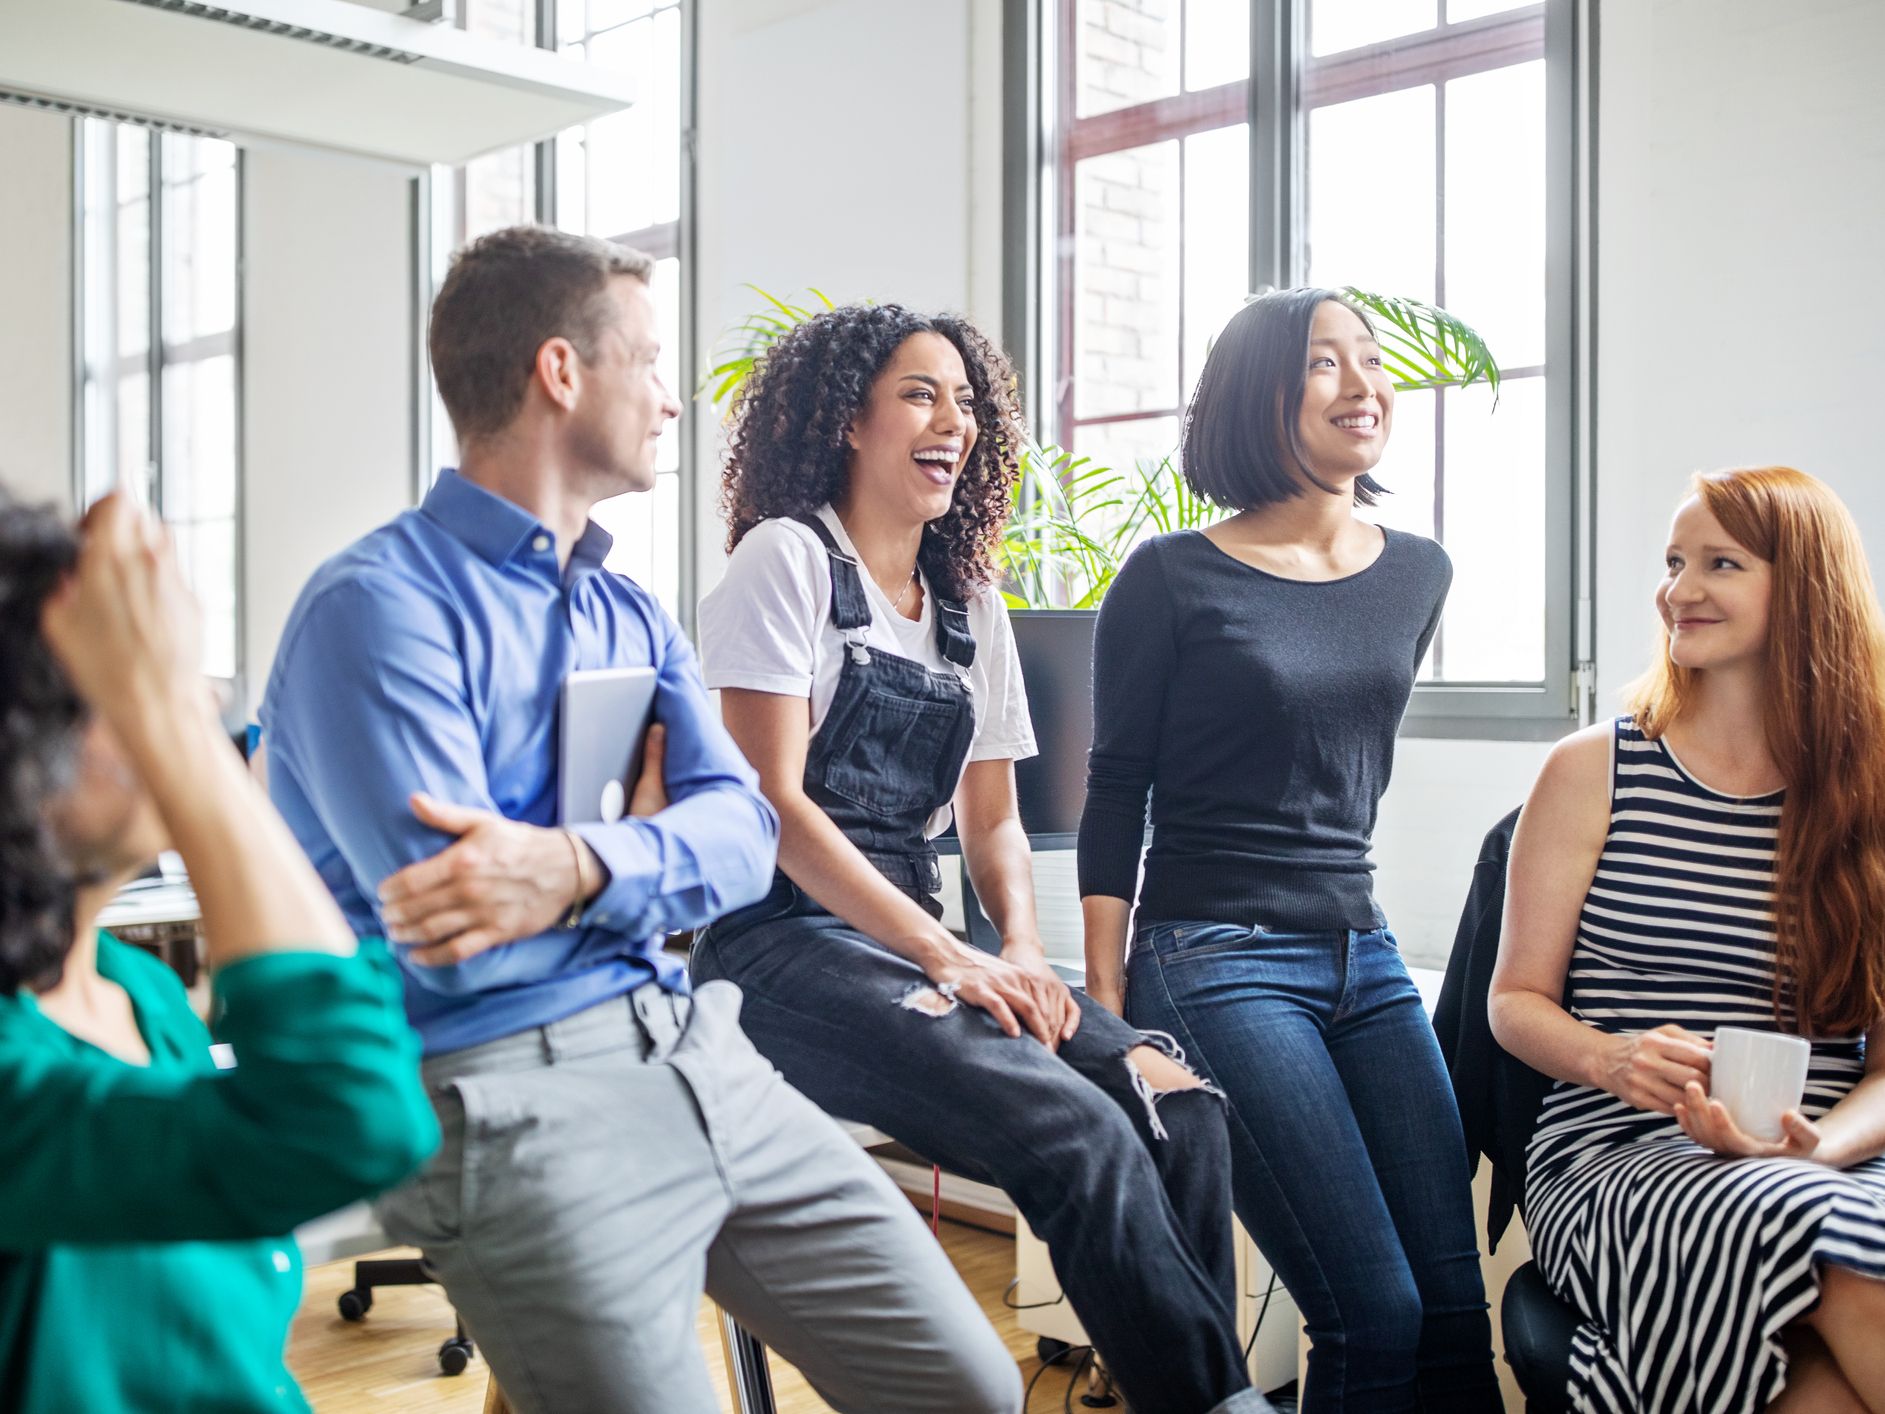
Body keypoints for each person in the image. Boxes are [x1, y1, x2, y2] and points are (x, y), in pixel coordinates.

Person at [260, 230, 1021, 1414]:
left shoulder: (626, 610)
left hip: (688, 1041)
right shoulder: (376, 610)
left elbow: (742, 838)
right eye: (650, 364)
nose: (673, 400)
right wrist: (651, 855)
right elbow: (461, 925)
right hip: (507, 1089)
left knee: (970, 1385)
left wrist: (568, 862)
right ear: (561, 373)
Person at [693, 302, 1267, 1414]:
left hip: (917, 943)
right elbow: (770, 803)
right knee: (1079, 1132)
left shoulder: (968, 605)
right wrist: (944, 956)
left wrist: (1022, 950)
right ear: (845, 420)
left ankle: (1185, 1392)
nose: (950, 418)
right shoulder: (789, 561)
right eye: (918, 393)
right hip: (777, 948)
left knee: (1181, 1106)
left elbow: (991, 818)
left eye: (965, 400)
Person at [1080, 288, 1502, 1412]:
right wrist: (1107, 1009)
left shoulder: (1419, 572)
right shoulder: (1168, 576)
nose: (1362, 385)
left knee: (1456, 1317)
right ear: (1257, 396)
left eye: (1371, 361)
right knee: (1375, 1312)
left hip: (1363, 956)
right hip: (1211, 954)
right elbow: (1115, 790)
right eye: (1324, 363)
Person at [0, 489, 436, 1412]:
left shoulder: (139, 992)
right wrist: (178, 731)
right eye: (119, 690)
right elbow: (352, 1111)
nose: (189, 703)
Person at [1493, 465, 1885, 1413]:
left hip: (1827, 1150)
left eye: (1720, 562)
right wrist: (1611, 1056)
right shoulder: (1594, 768)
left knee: (1821, 1371)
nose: (1678, 589)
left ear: (1803, 589)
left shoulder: (1869, 790)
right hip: (1623, 1150)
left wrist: (1811, 1150)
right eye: (1673, 562)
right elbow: (1512, 1003)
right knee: (1841, 1255)